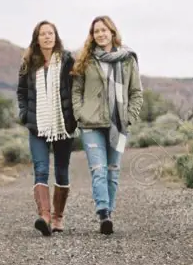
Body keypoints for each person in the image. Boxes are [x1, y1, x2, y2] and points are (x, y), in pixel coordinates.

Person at [71, 15, 143, 235]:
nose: (100, 34)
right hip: (91, 124)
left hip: (118, 124)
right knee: (99, 170)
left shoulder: (127, 59)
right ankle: (103, 213)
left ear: (112, 32)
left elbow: (136, 93)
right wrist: (80, 113)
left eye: (104, 30)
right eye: (96, 31)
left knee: (113, 171)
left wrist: (128, 118)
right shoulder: (85, 60)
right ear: (92, 36)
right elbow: (76, 91)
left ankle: (109, 214)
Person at [17, 21, 77, 236]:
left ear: (56, 36)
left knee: (61, 169)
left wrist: (74, 115)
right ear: (37, 38)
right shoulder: (28, 63)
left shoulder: (67, 60)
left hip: (63, 124)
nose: (47, 37)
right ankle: (44, 216)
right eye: (43, 34)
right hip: (37, 125)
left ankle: (58, 217)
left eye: (50, 33)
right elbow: (21, 93)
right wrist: (24, 114)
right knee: (40, 169)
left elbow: (76, 88)